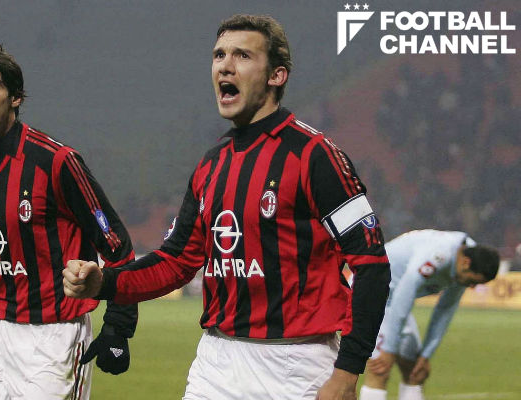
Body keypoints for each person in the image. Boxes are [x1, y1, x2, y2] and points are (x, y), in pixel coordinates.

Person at [63, 14, 390, 400]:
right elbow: (175, 260)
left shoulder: (315, 156)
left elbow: (371, 264)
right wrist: (105, 283)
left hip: (297, 363)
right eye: (219, 55)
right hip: (217, 362)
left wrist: (348, 371)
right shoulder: (211, 164)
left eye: (243, 55)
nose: (225, 66)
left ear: (276, 75)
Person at [0, 42, 138, 399]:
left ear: (15, 98)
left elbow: (116, 244)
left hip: (52, 337)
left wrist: (118, 324)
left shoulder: (56, 162)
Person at [359, 229, 500, 400]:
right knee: (380, 369)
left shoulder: (467, 258)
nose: (471, 287)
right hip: (369, 295)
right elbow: (404, 294)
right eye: (472, 281)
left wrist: (426, 355)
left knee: (415, 371)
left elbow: (445, 310)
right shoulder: (438, 254)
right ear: (465, 262)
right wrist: (389, 349)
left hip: (392, 301)